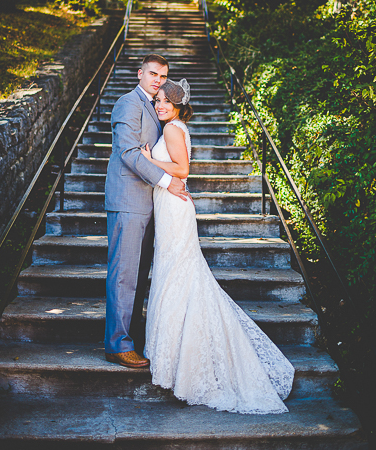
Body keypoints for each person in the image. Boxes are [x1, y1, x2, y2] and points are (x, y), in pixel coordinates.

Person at [140, 79, 294, 413]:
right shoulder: (177, 127)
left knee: (178, 275)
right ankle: (178, 353)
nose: (160, 106)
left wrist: (148, 160)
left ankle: (182, 358)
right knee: (177, 274)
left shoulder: (170, 130)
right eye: (157, 101)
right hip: (171, 206)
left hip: (175, 207)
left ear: (179, 105)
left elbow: (181, 170)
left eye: (166, 101)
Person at [103, 54, 189, 369]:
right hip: (128, 200)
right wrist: (168, 181)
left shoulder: (157, 108)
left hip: (150, 203)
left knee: (139, 275)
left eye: (162, 76)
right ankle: (117, 344)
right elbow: (127, 152)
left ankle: (132, 338)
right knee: (124, 274)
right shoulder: (129, 104)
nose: (157, 80)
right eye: (152, 73)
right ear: (140, 73)